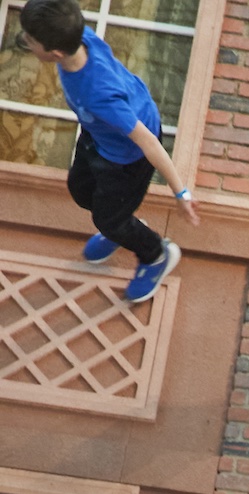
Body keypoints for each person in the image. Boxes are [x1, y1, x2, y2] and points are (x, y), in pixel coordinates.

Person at [18, 0, 199, 303]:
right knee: (80, 190)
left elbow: (149, 142)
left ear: (55, 53)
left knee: (109, 220)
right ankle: (123, 226)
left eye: (31, 40)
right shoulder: (80, 35)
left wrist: (181, 193)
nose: (24, 42)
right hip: (98, 134)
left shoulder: (99, 94)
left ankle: (156, 254)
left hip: (127, 157)